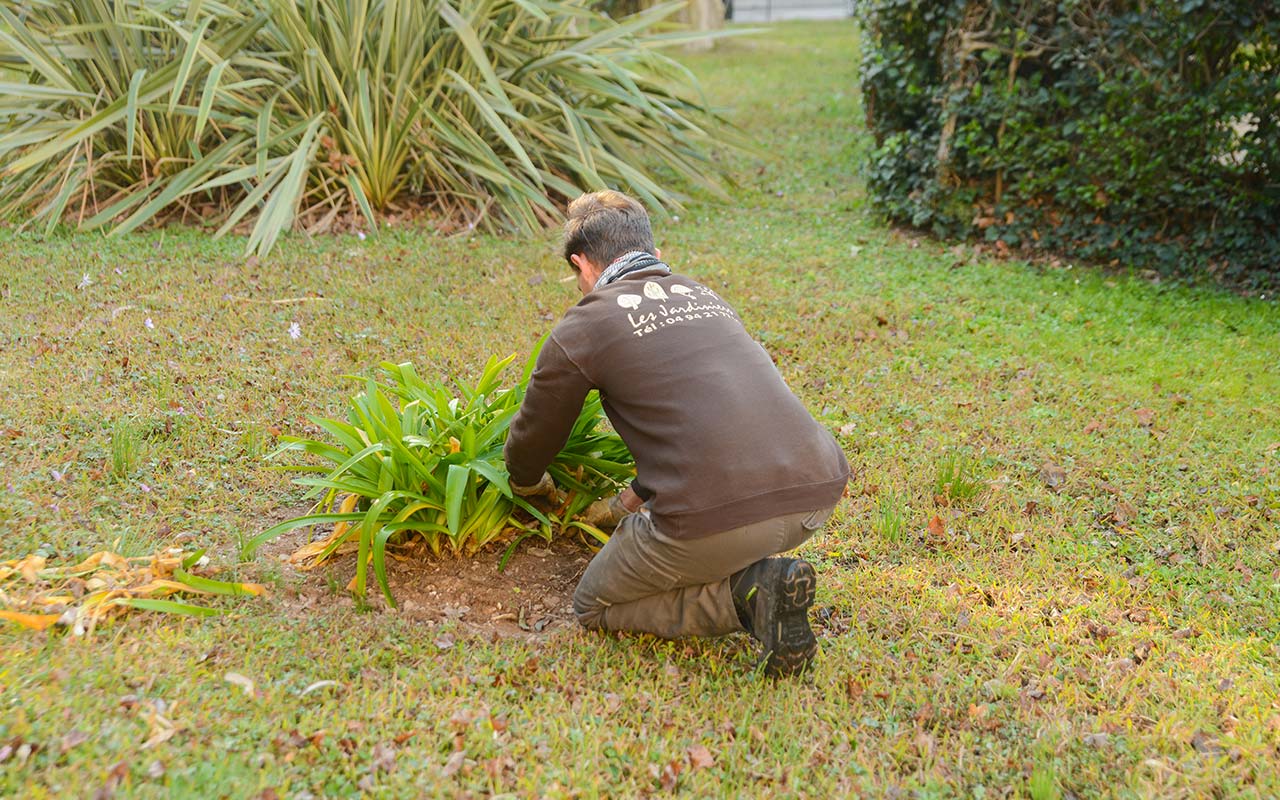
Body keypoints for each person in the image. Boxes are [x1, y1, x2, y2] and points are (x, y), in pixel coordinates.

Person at [503, 190, 849, 677]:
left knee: (593, 605)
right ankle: (756, 573)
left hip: (717, 517)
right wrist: (623, 505)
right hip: (815, 493)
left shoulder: (586, 323)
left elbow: (536, 433)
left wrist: (526, 483)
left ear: (582, 265)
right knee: (724, 528)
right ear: (656, 255)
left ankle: (749, 595)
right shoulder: (705, 296)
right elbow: (704, 419)